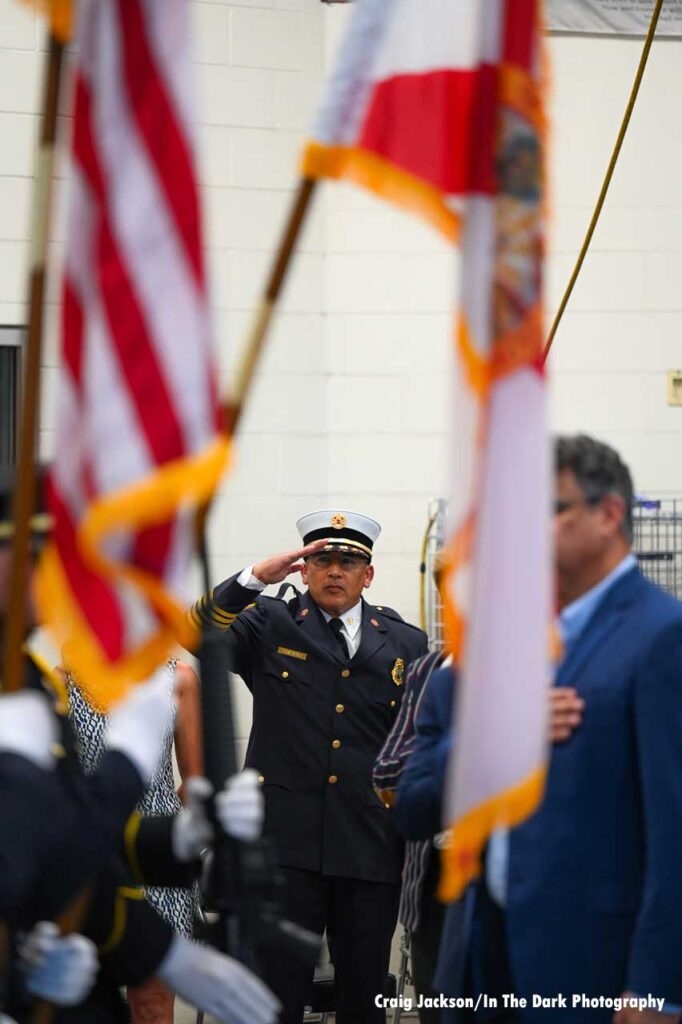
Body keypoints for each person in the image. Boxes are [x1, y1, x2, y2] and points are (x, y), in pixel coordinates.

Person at [394, 435, 682, 1023]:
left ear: (608, 515)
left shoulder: (660, 637)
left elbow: (676, 833)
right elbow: (411, 805)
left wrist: (659, 987)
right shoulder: (496, 656)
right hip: (479, 965)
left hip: (591, 969)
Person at [0, 463, 280, 1024]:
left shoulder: (29, 682)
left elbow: (67, 834)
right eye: (31, 559)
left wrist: (182, 833)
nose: (51, 582)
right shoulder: (50, 682)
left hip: (86, 909)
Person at [190, 509, 429, 1024]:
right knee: (275, 998)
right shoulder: (268, 622)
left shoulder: (405, 643)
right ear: (303, 569)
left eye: (348, 561)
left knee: (363, 999)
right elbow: (194, 634)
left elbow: (414, 748)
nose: (334, 570)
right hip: (284, 851)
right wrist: (254, 578)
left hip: (369, 848)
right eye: (322, 559)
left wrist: (413, 840)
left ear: (369, 573)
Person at [65, 658, 202, 1024]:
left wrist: (173, 836)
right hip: (89, 855)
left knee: (153, 1000)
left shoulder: (179, 678)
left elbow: (194, 779)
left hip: (157, 853)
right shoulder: (63, 681)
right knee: (87, 993)